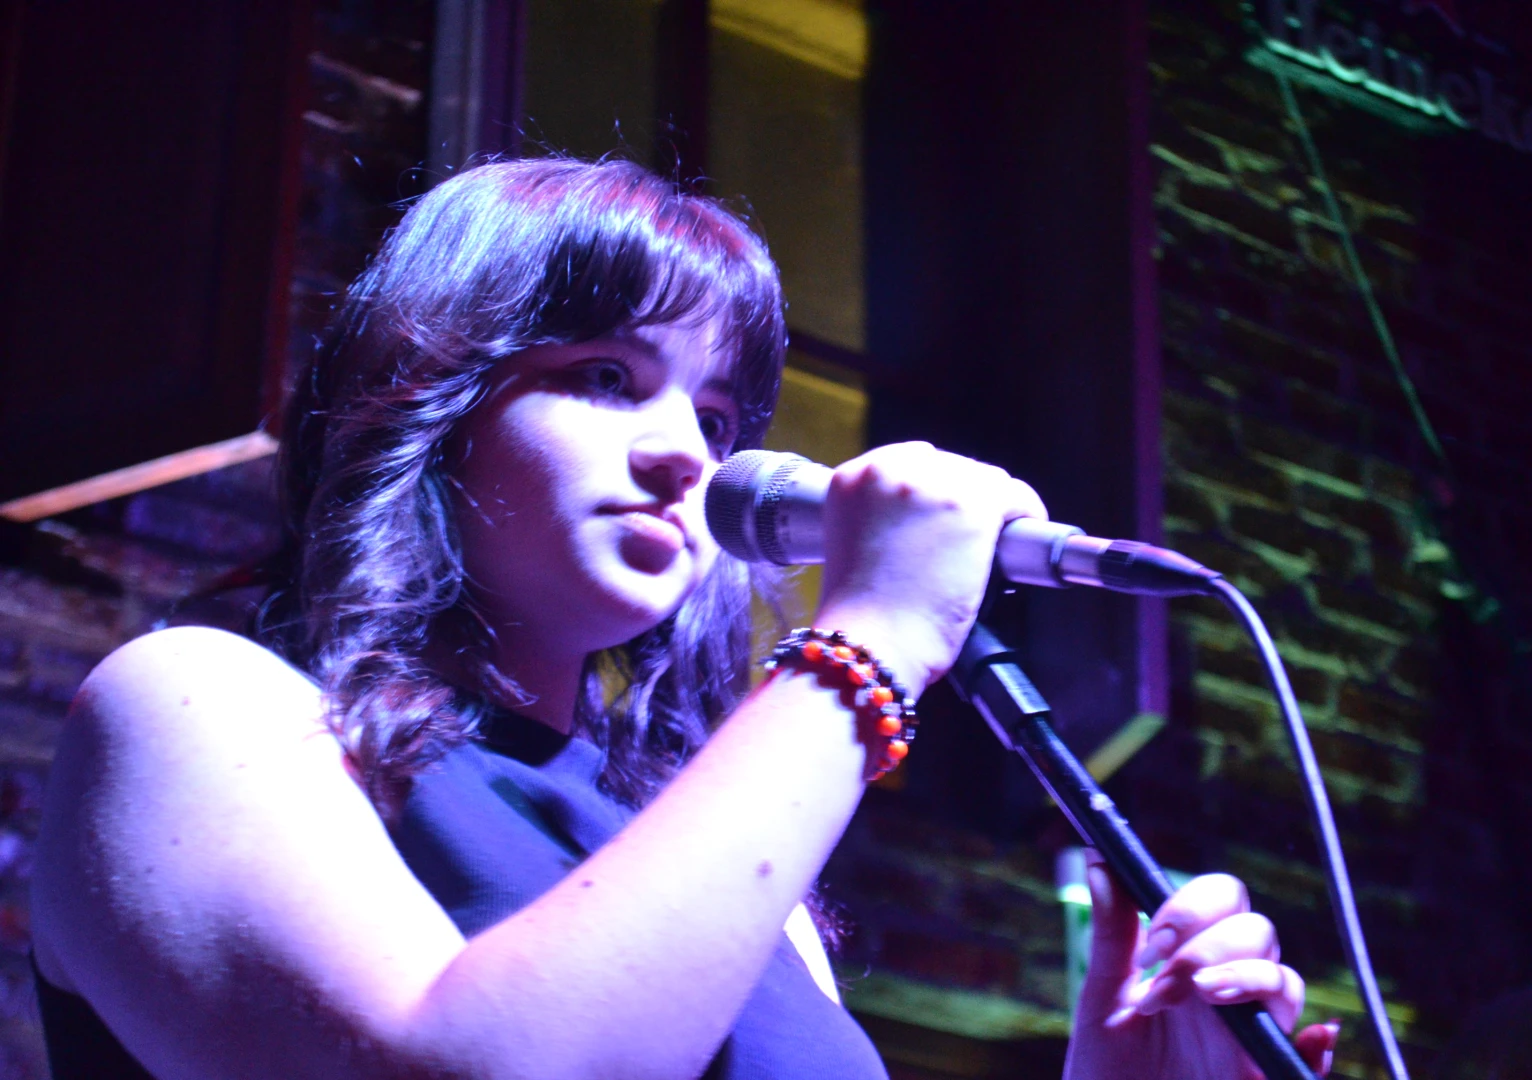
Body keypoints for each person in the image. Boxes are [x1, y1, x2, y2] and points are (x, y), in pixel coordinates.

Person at [30, 157, 1335, 1079]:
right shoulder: (198, 706)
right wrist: (867, 646)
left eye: (716, 419)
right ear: (435, 397)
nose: (682, 456)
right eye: (607, 377)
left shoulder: (716, 871)